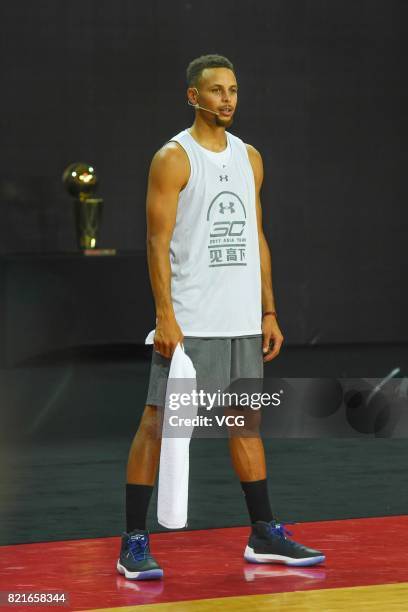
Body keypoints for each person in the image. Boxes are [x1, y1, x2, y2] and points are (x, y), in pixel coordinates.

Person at [117, 54, 325, 580]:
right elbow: (156, 241)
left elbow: (257, 237)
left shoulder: (250, 157)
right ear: (193, 96)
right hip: (192, 323)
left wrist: (269, 309)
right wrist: (165, 315)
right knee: (157, 423)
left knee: (245, 424)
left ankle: (263, 533)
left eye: (233, 89)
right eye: (216, 90)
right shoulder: (173, 157)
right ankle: (133, 542)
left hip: (241, 321)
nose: (227, 99)